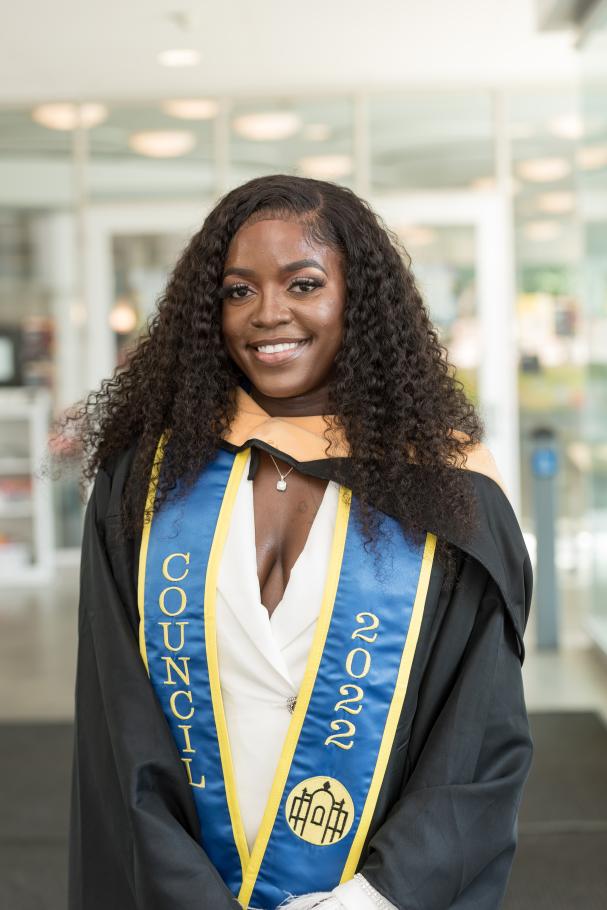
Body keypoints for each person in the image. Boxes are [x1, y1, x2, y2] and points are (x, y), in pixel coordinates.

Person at [63, 174, 533, 910]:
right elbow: (117, 724)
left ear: (359, 302)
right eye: (237, 291)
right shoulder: (146, 481)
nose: (267, 315)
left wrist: (372, 899)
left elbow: (475, 737)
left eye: (303, 283)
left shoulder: (445, 491)